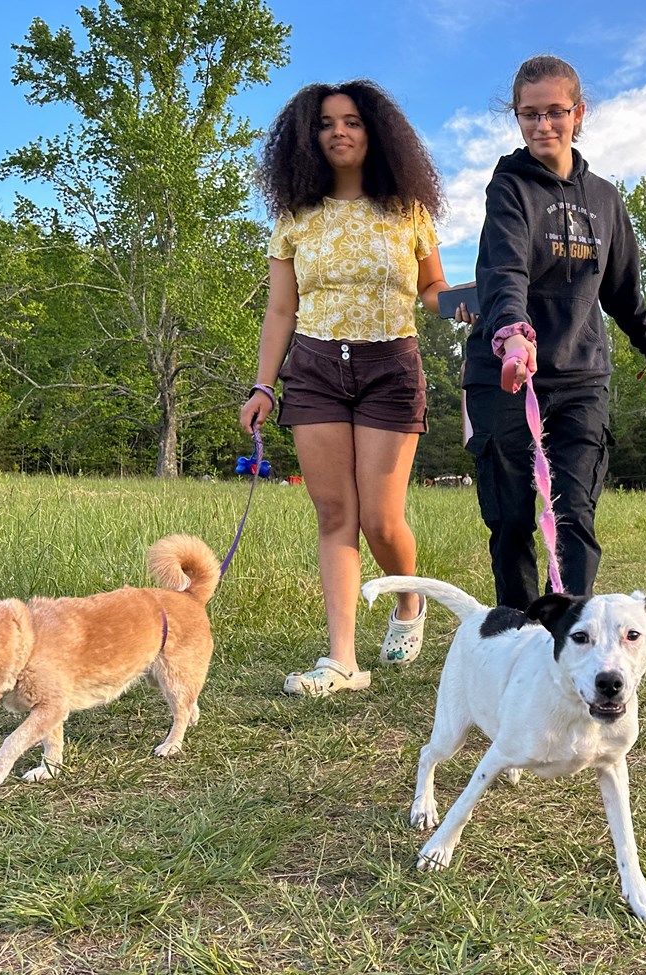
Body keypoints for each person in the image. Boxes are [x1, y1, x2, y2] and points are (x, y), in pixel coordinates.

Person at [240, 80, 461, 697]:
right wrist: (263, 386)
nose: (340, 131)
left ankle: (408, 602)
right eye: (327, 123)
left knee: (383, 520)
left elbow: (432, 291)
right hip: (314, 370)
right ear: (308, 137)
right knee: (336, 514)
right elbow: (280, 310)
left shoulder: (407, 210)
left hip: (391, 366)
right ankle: (341, 661)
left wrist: (472, 303)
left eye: (354, 122)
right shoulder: (294, 218)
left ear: (376, 133)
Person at [460, 55, 646, 609]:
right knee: (510, 519)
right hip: (508, 372)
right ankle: (519, 634)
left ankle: (571, 636)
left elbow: (622, 290)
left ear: (579, 113)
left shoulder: (604, 198)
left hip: (581, 376)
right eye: (528, 114)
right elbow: (504, 270)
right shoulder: (507, 188)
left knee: (573, 510)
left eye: (555, 112)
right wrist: (512, 334)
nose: (541, 126)